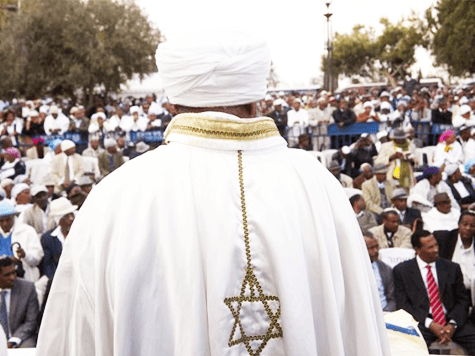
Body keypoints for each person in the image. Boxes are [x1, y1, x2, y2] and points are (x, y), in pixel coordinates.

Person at [36, 30, 390, 356]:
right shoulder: (318, 183)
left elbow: (73, 334)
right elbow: (359, 326)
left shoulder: (115, 196)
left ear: (173, 103)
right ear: (255, 100)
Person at [394, 230, 475, 353]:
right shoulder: (402, 271)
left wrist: (452, 325)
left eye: (436, 245)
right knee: (414, 347)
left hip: (451, 320)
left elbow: (462, 300)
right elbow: (403, 305)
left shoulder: (452, 268)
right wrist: (430, 324)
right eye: (430, 247)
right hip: (421, 321)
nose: (436, 249)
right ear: (417, 249)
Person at [0, 256, 39, 348]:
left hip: (22, 337)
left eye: (14, 272)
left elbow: (31, 321)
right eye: (7, 275)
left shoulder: (28, 288)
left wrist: (14, 340)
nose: (13, 277)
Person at [0, 202, 43, 283]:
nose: (4, 223)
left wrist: (25, 255)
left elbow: (37, 258)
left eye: (7, 219)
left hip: (24, 279)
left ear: (13, 217)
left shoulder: (28, 231)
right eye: (1, 221)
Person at [364, 232, 396, 312]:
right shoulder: (353, 271)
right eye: (371, 248)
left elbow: (392, 298)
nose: (376, 250)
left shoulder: (386, 269)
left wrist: (386, 312)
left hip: (385, 313)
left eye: (377, 246)